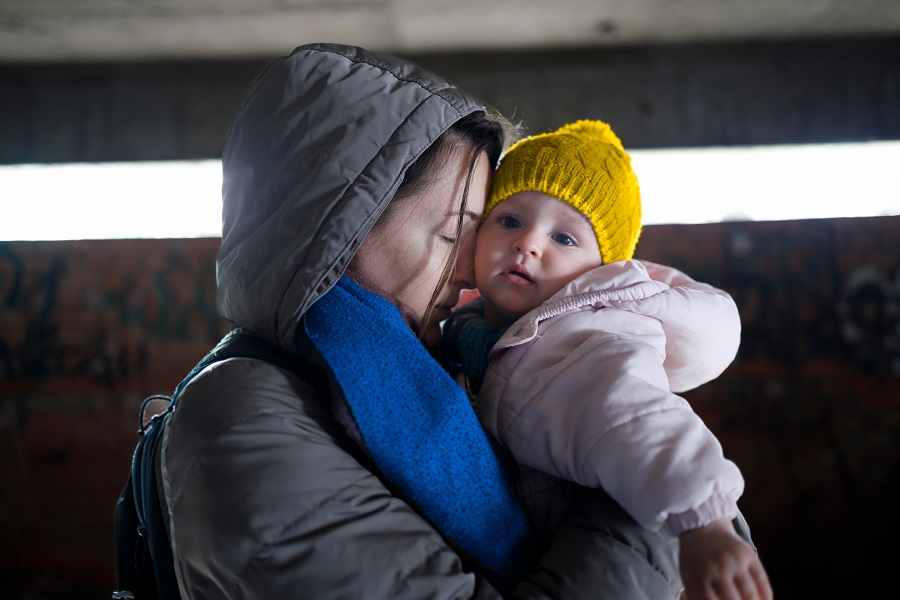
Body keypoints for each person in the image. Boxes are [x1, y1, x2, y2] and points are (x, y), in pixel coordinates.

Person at [156, 43, 686, 599]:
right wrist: (641, 477)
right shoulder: (247, 420)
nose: (472, 269)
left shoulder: (432, 366)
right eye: (455, 233)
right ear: (342, 224)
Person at [442, 120, 774, 600]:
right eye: (510, 220)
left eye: (565, 239)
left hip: (644, 525)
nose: (528, 243)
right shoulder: (468, 331)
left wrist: (705, 526)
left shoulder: (590, 337)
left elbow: (640, 417)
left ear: (601, 270)